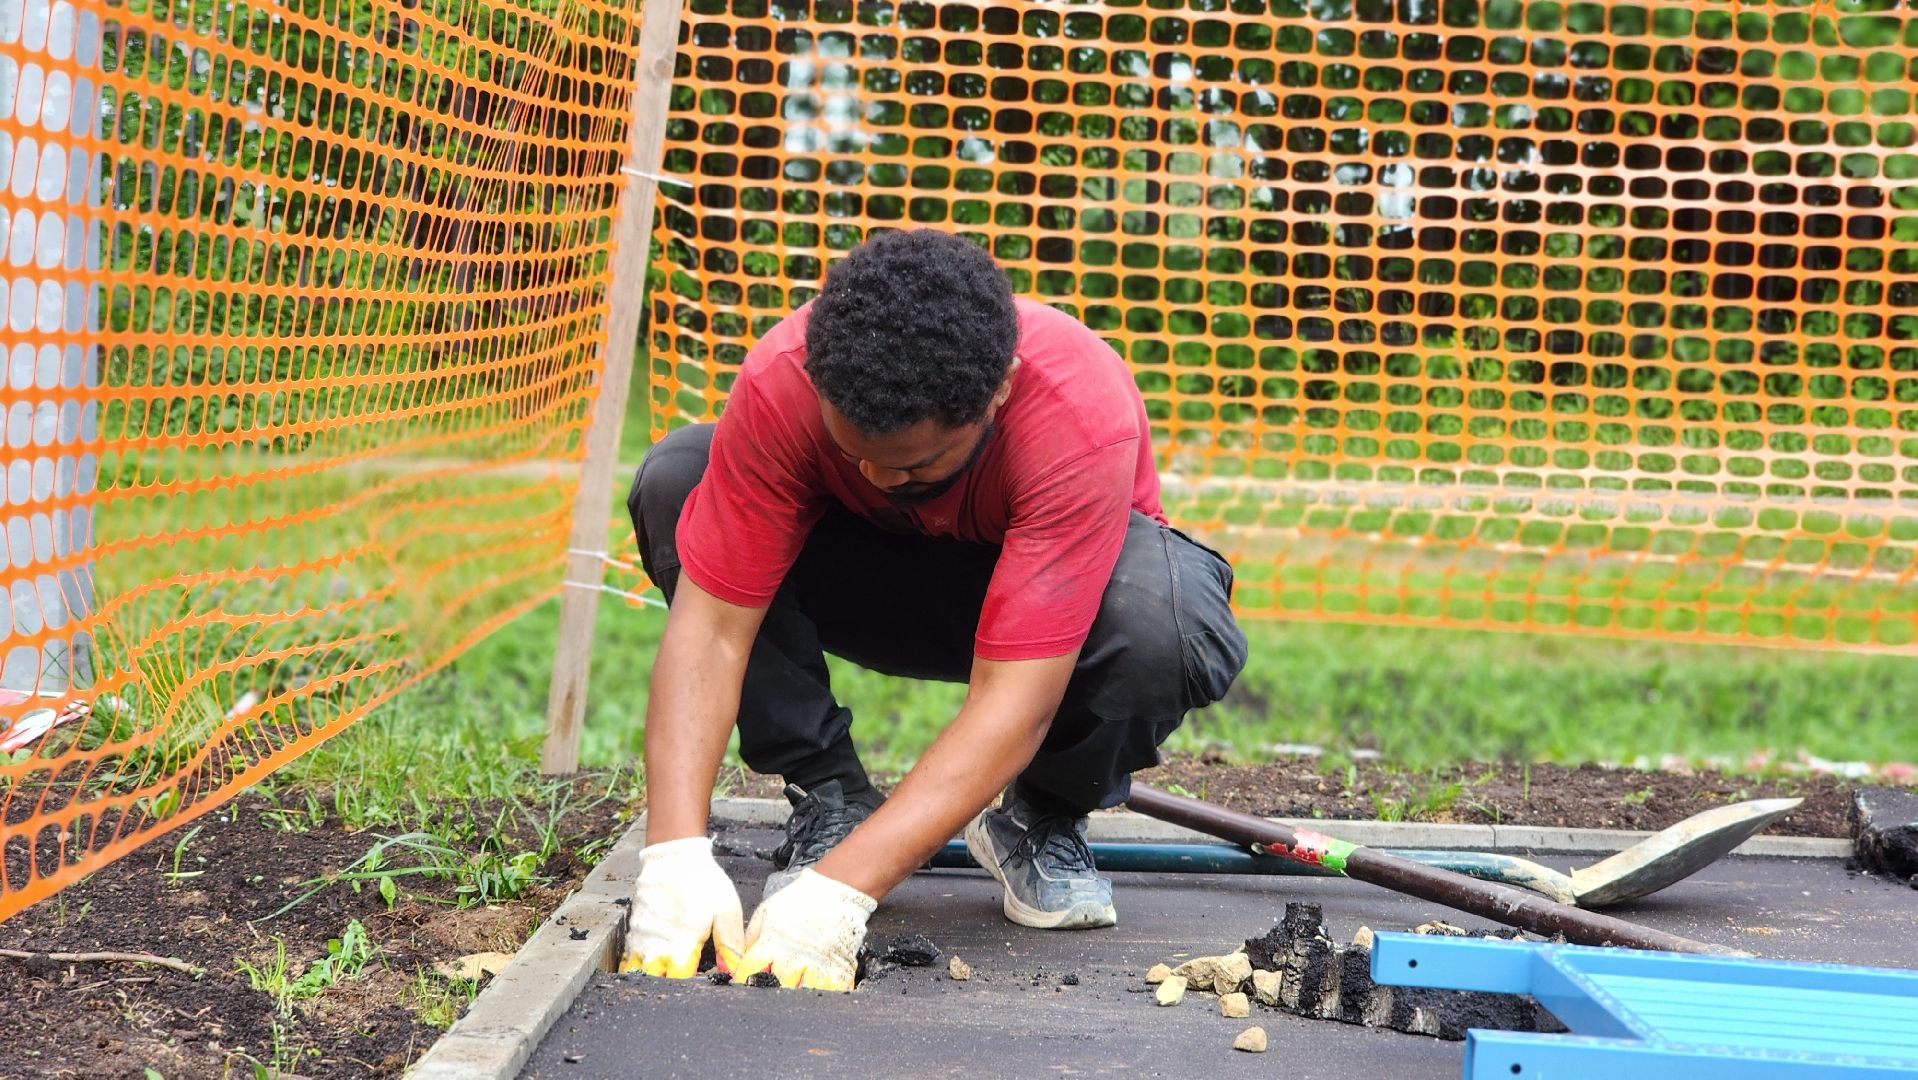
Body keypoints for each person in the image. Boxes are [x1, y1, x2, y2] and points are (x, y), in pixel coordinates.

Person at [620, 228, 1247, 991]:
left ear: (999, 391)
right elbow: (713, 632)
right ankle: (830, 797)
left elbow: (1014, 703)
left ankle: (1038, 817)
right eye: (852, 453)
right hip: (869, 582)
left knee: (1164, 622)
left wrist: (839, 894)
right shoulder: (784, 379)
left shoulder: (1076, 412)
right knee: (679, 479)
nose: (878, 478)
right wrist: (673, 855)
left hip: (1048, 623)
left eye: (914, 463)